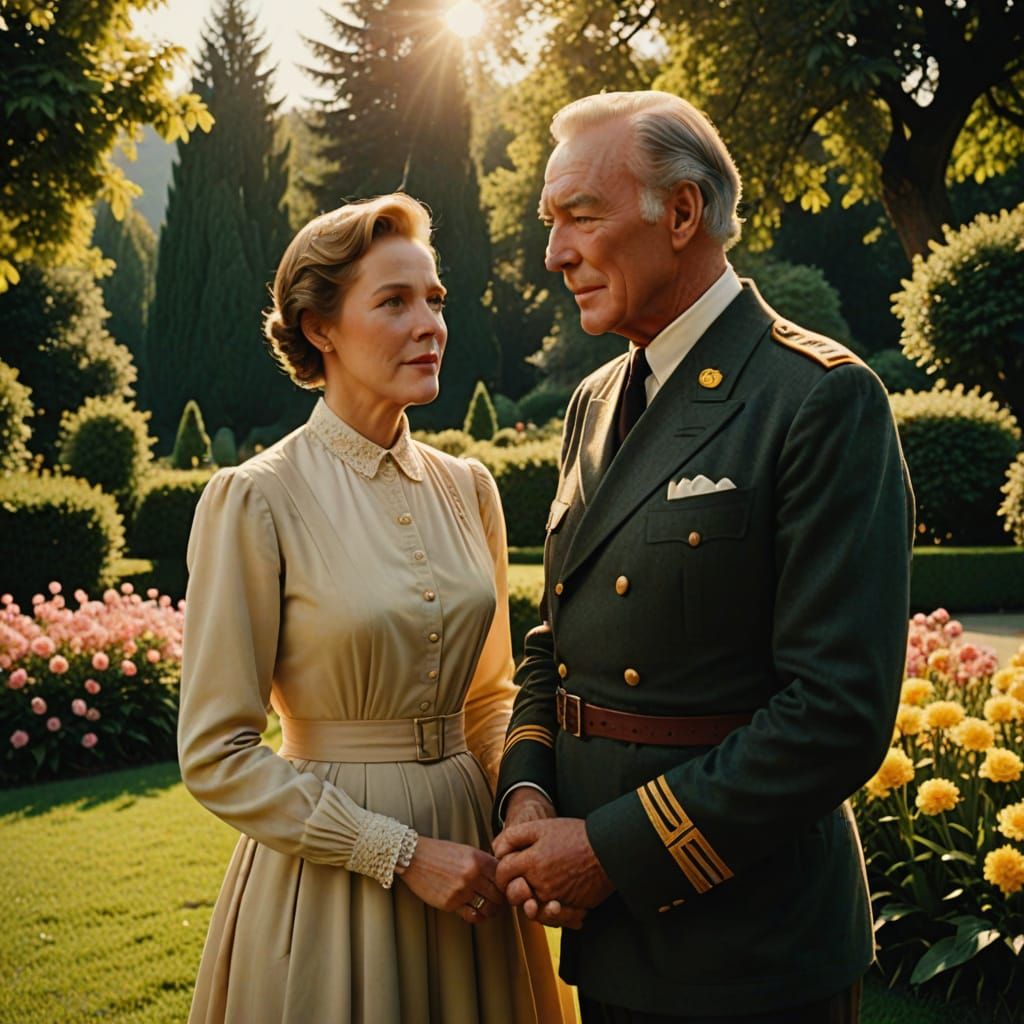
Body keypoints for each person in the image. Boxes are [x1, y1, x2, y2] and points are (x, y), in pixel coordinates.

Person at [492, 91, 915, 1023]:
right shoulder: (593, 401)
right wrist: (527, 797)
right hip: (612, 943)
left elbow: (836, 713)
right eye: (550, 221)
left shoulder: (818, 397)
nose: (555, 252)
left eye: (580, 216)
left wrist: (612, 853)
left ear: (681, 213)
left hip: (751, 950)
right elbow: (556, 642)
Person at [178, 193, 572, 1023]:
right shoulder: (255, 498)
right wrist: (398, 854)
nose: (430, 325)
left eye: (435, 299)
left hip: (475, 865)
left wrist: (522, 802)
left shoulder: (471, 488)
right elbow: (216, 753)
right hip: (329, 882)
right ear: (319, 328)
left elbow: (490, 697)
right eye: (394, 302)